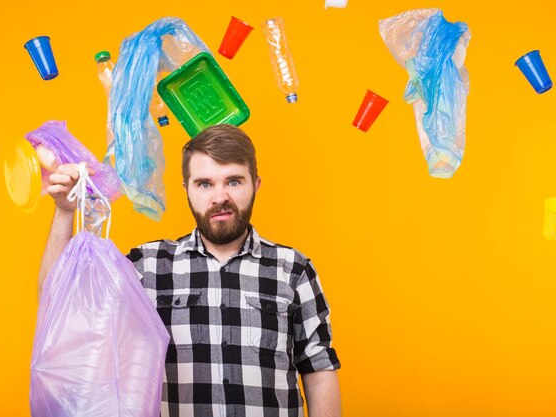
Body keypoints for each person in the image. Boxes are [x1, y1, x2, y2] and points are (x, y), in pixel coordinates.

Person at [39, 124, 341, 417]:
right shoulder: (148, 266)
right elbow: (59, 307)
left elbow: (318, 368)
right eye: (205, 183)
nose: (220, 197)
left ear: (255, 184)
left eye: (234, 181)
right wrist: (66, 212)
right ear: (187, 188)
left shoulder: (294, 269)